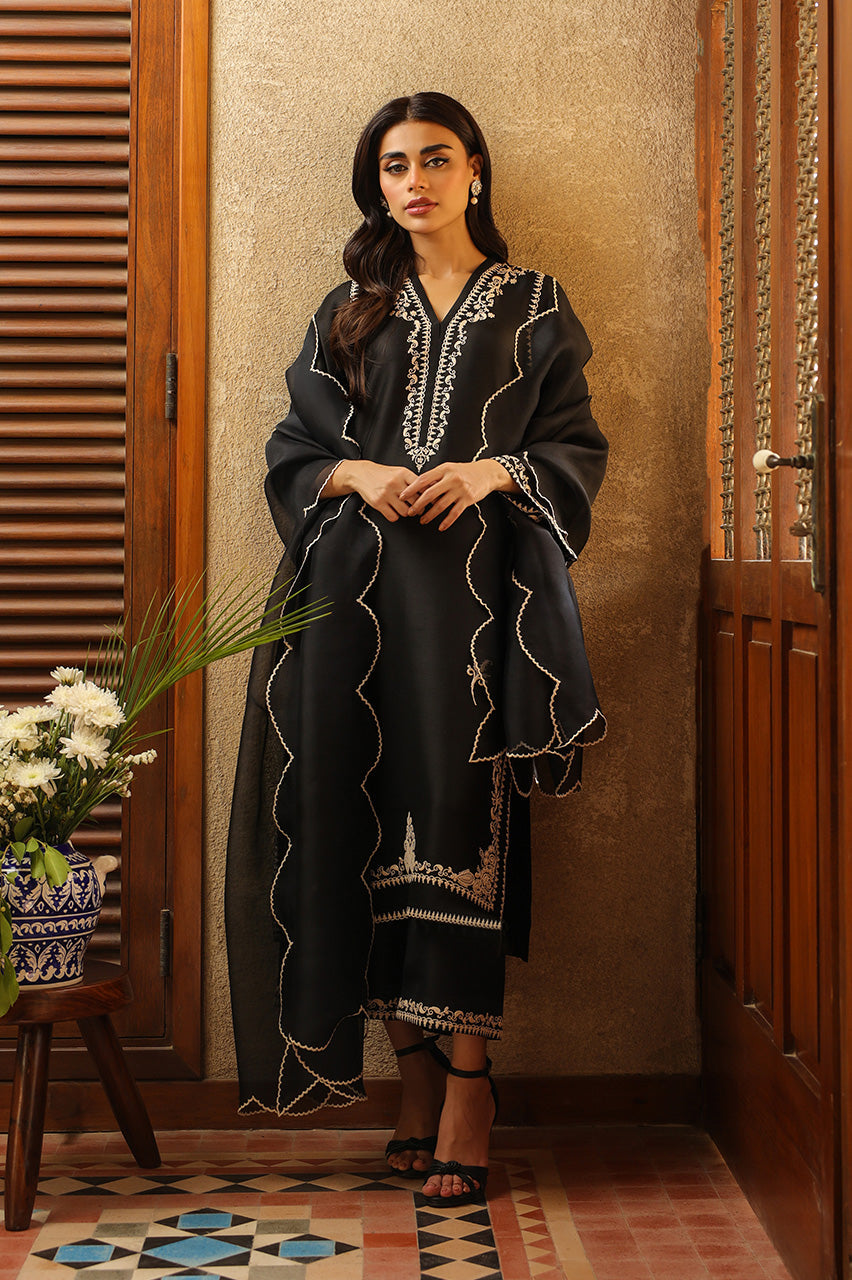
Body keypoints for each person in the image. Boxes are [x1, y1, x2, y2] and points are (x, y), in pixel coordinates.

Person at [225, 91, 608, 1207]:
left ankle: (471, 1085)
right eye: (394, 166)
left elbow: (574, 447)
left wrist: (492, 472)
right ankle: (415, 1080)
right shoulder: (351, 309)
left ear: (475, 169)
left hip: (477, 611)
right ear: (378, 185)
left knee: (452, 823)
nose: (414, 182)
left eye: (435, 159)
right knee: (353, 824)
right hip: (348, 605)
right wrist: (358, 471)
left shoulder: (534, 306)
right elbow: (294, 448)